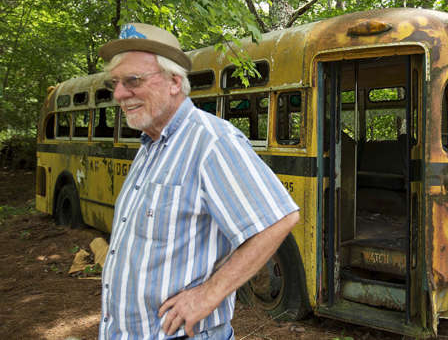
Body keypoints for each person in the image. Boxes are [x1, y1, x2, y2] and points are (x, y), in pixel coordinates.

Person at [97, 23, 300, 339]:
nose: (120, 94)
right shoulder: (150, 146)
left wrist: (208, 295)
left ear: (174, 82)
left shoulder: (211, 142)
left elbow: (279, 219)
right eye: (117, 83)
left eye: (133, 81)